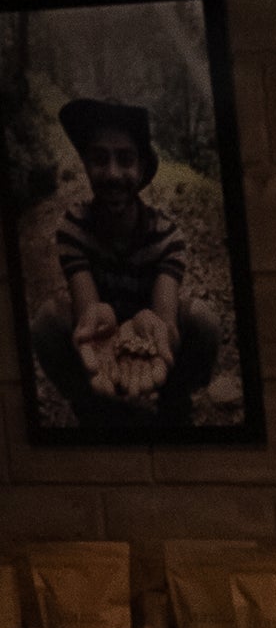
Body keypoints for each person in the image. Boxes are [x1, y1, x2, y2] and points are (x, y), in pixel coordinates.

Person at [29, 98, 221, 422]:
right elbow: (88, 311)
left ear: (142, 168)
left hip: (150, 340)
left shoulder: (168, 237)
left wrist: (155, 331)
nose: (113, 174)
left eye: (126, 159)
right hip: (101, 339)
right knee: (47, 321)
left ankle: (174, 397)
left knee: (204, 320)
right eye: (100, 159)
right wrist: (98, 328)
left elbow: (166, 322)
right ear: (87, 165)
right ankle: (93, 404)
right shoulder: (73, 229)